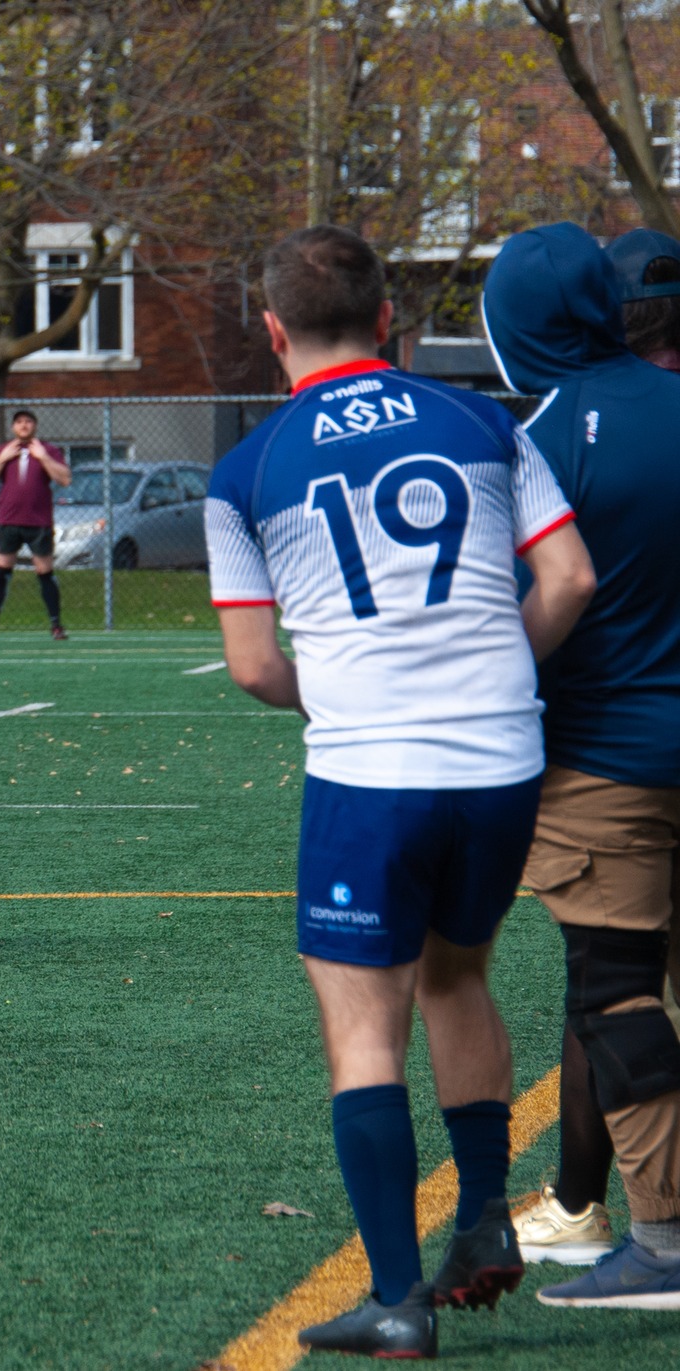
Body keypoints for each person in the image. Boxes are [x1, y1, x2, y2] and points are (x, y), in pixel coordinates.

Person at [207, 227, 596, 1357]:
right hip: (498, 760)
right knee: (456, 975)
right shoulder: (484, 420)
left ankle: (393, 1298)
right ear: (389, 323)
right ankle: (479, 1219)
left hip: (370, 769)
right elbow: (565, 577)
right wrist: (492, 677)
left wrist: (336, 692)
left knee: (359, 1022)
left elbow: (247, 667)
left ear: (272, 331)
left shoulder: (249, 467)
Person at [485, 222, 680, 1307]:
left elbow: (526, 602)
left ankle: (660, 1240)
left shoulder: (531, 442)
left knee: (612, 997)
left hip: (601, 761)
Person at [0, 409, 72, 641]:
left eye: (28, 422)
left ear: (35, 425)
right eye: (19, 422)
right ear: (13, 427)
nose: (24, 426)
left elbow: (65, 479)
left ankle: (56, 625)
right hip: (8, 520)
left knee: (45, 572)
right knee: (2, 572)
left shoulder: (48, 450)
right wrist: (2, 459)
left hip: (38, 521)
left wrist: (43, 457)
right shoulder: (4, 450)